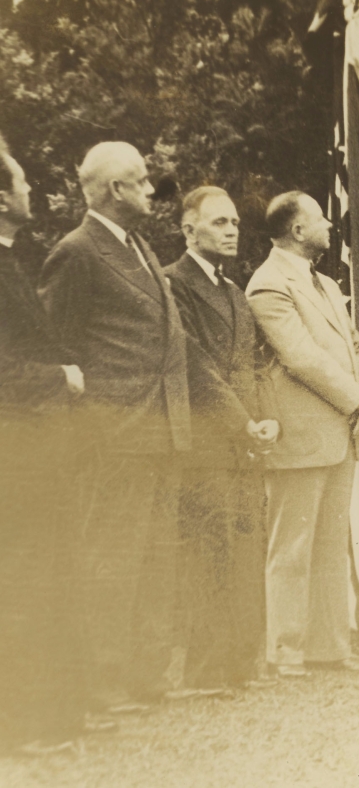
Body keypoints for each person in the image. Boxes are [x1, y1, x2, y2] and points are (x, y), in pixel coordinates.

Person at [38, 142, 257, 715]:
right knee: (111, 561)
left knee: (156, 562)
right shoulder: (77, 253)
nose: (152, 192)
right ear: (116, 190)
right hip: (115, 440)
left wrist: (235, 419)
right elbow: (55, 345)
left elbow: (177, 349)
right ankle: (102, 686)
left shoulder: (136, 248)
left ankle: (143, 678)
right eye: (142, 182)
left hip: (163, 437)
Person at [246, 191, 359, 675]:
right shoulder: (267, 285)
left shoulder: (324, 281)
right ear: (298, 231)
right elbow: (301, 357)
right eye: (320, 219)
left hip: (338, 433)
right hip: (300, 438)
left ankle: (329, 648)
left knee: (329, 545)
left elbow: (354, 345)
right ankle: (285, 651)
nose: (330, 225)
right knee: (292, 548)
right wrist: (358, 400)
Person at [0, 141, 95, 755]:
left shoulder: (10, 260)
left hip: (38, 448)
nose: (31, 191)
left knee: (45, 578)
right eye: (23, 182)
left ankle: (46, 721)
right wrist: (62, 377)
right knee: (22, 583)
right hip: (15, 449)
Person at [164, 187, 279, 692]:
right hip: (206, 442)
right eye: (218, 223)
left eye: (234, 222)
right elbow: (194, 364)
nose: (231, 230)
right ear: (189, 230)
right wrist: (242, 422)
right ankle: (205, 671)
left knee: (244, 552)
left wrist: (266, 419)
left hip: (243, 442)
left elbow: (251, 365)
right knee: (209, 554)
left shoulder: (235, 292)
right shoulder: (174, 284)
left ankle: (239, 667)